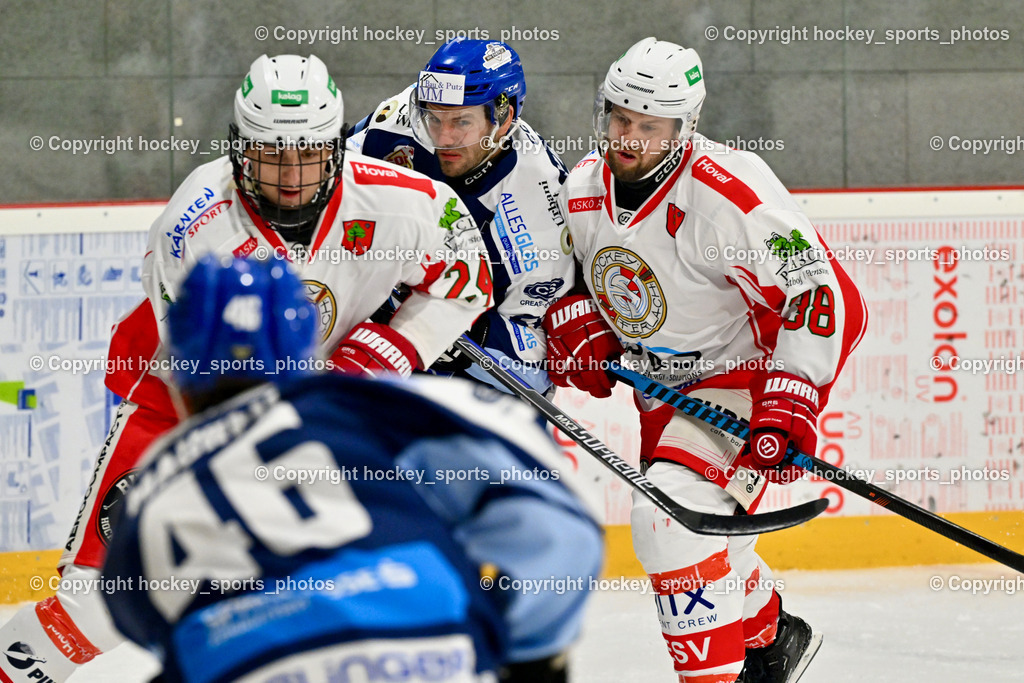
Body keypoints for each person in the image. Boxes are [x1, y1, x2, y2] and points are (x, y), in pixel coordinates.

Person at [0, 54, 493, 683]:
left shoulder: (408, 204)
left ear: (337, 147)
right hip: (180, 405)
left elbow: (465, 286)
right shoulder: (196, 223)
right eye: (270, 153)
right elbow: (201, 377)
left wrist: (377, 358)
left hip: (325, 413)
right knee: (96, 606)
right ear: (238, 148)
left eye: (309, 153)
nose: (291, 175)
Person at [100, 255, 603, 683]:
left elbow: (137, 615)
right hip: (425, 645)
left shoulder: (154, 480)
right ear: (306, 347)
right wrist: (534, 651)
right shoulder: (364, 404)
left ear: (179, 371)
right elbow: (551, 510)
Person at [542, 37, 868, 683]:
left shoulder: (729, 190)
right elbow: (574, 282)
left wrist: (791, 393)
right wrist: (579, 320)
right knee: (699, 526)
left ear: (685, 126)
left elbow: (823, 292)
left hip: (745, 375)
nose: (629, 137)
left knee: (666, 520)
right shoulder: (581, 188)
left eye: (650, 127)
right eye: (619, 119)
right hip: (662, 391)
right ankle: (773, 637)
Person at [348, 38, 573, 394]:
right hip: (373, 339)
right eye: (434, 119)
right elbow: (332, 190)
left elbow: (537, 367)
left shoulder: (541, 201)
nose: (443, 137)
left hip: (469, 383)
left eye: (461, 123)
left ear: (505, 117)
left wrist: (467, 330)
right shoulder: (399, 121)